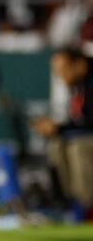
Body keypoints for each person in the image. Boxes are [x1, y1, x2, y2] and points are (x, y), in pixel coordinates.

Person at [32, 48, 93, 210]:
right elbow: (80, 119)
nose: (59, 76)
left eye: (63, 70)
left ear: (80, 65)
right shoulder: (78, 86)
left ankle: (87, 205)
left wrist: (59, 128)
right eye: (56, 71)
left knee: (79, 146)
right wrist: (56, 128)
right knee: (56, 145)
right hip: (81, 134)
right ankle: (69, 203)